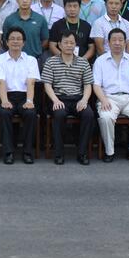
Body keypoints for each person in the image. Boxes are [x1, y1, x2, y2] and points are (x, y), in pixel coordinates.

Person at [92, 28, 129, 162]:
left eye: (120, 40)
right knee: (106, 117)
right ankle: (109, 151)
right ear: (108, 42)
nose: (117, 43)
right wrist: (103, 100)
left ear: (125, 42)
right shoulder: (100, 61)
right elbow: (96, 85)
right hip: (108, 98)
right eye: (114, 40)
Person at [41, 30, 95, 165]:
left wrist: (84, 100)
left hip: (78, 98)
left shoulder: (83, 62)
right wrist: (55, 100)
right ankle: (59, 154)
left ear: (75, 45)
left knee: (88, 114)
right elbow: (47, 84)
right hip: (59, 98)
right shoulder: (51, 62)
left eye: (72, 43)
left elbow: (88, 85)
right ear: (59, 44)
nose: (69, 45)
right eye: (66, 42)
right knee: (59, 114)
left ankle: (82, 153)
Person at [0, 27, 39, 164]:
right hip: (6, 95)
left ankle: (27, 152)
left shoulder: (31, 60)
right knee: (4, 112)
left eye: (19, 39)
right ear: (6, 42)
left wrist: (29, 101)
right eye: (12, 39)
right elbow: (1, 82)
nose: (15, 41)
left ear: (24, 42)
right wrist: (4, 101)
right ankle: (8, 153)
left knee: (30, 113)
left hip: (25, 95)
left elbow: (31, 82)